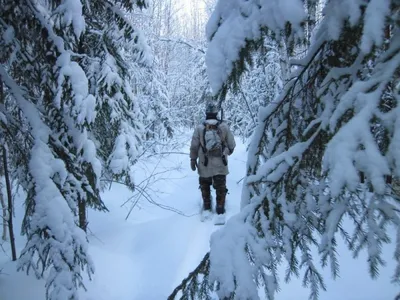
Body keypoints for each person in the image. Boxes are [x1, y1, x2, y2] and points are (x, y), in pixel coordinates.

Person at [189, 101, 236, 220]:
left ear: (206, 113)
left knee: (205, 185)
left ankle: (207, 206)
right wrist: (227, 153)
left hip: (204, 164)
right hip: (221, 164)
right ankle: (220, 208)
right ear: (216, 113)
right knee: (220, 186)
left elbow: (194, 146)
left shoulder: (199, 128)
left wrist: (193, 160)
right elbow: (232, 144)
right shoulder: (224, 126)